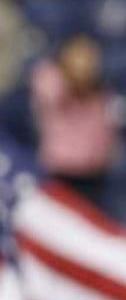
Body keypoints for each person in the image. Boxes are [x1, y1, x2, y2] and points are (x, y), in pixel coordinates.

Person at [30, 34, 118, 206]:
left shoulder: (103, 89)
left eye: (90, 56)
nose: (85, 61)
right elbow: (51, 91)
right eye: (78, 54)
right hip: (60, 171)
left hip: (95, 174)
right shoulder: (49, 78)